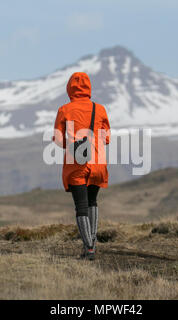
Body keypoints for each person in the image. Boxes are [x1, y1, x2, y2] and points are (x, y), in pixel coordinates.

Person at [53, 72, 111, 260]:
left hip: (76, 163)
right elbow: (107, 138)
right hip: (98, 163)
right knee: (93, 202)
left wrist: (72, 142)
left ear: (70, 88)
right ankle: (91, 245)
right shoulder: (100, 109)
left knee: (81, 207)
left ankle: (89, 248)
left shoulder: (64, 110)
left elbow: (59, 139)